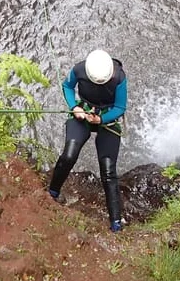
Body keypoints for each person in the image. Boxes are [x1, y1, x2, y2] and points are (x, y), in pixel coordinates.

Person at [48, 49, 127, 232]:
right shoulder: (80, 69)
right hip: (83, 110)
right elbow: (67, 87)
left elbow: (120, 107)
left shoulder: (119, 78)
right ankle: (52, 193)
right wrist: (74, 107)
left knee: (108, 170)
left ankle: (116, 222)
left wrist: (101, 119)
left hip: (108, 117)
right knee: (69, 155)